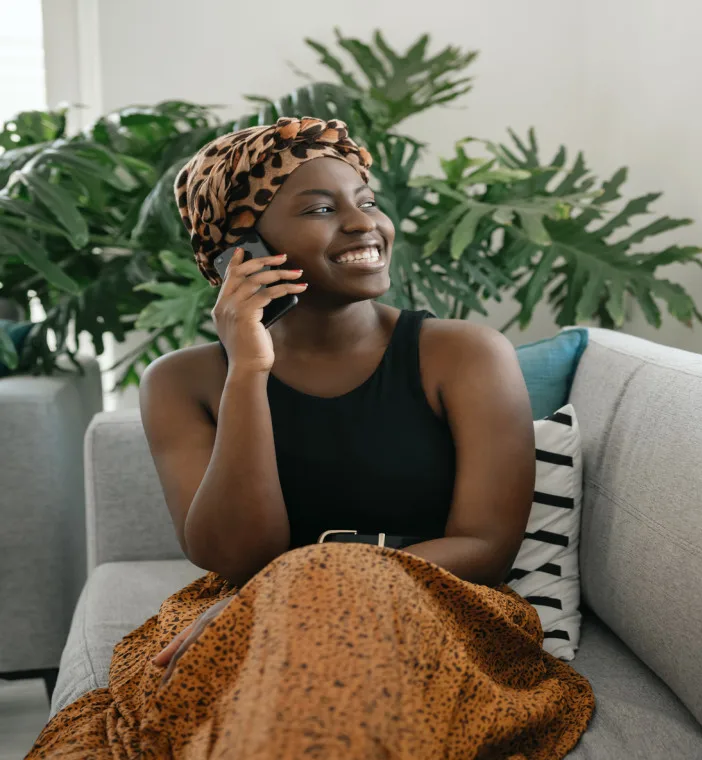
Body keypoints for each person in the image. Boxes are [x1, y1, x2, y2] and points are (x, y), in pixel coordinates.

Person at [27, 117, 594, 759]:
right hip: (254, 617)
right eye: (322, 208)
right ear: (239, 252)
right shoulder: (183, 382)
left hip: (438, 611)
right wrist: (248, 371)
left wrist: (305, 578)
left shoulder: (464, 355)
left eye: (367, 201)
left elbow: (489, 549)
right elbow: (238, 556)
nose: (364, 225)